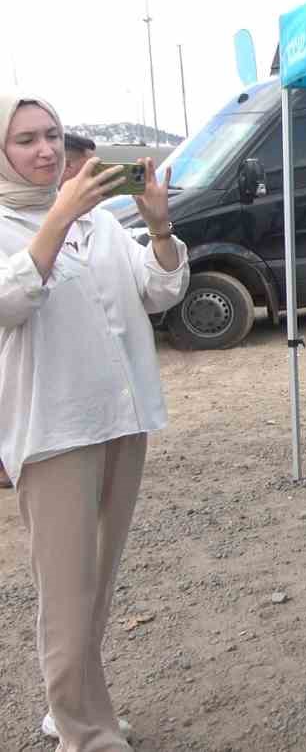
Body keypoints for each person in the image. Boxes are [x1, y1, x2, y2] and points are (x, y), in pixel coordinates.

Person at [1, 91, 188, 751]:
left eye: (52, 134)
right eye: (26, 139)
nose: (47, 149)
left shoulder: (101, 223)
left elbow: (161, 290)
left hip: (120, 417)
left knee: (98, 578)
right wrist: (58, 215)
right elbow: (9, 300)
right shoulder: (11, 222)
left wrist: (160, 230)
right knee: (66, 589)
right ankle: (86, 732)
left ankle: (73, 707)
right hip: (54, 432)